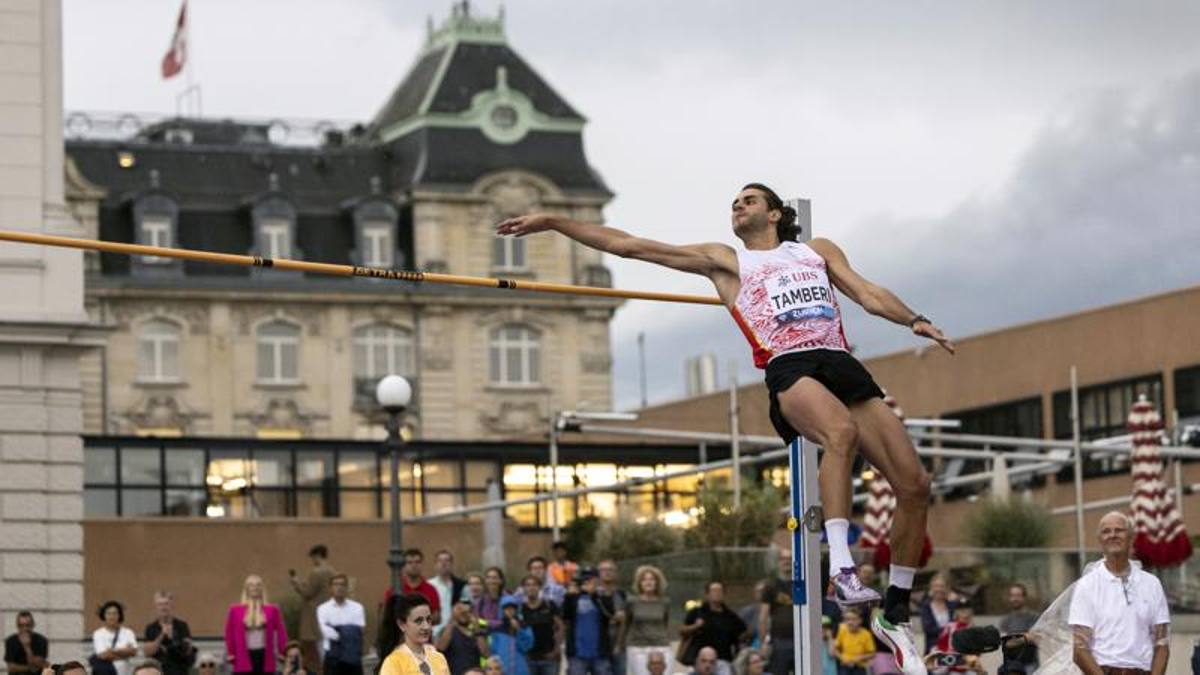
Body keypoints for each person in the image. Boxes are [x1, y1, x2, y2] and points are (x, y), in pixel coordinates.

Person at [499, 184, 950, 675]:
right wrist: (555, 222)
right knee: (839, 434)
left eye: (749, 200)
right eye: (734, 202)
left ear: (776, 213)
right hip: (789, 366)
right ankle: (840, 566)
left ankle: (896, 609)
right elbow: (630, 245)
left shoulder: (816, 251)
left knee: (914, 485)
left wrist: (914, 320)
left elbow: (866, 293)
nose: (738, 206)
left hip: (840, 362)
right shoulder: (725, 261)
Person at [1069, 511, 1170, 675]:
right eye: (1106, 531)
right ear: (1100, 540)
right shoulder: (1087, 586)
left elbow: (1162, 643)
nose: (1112, 535)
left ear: (1131, 537)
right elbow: (1079, 649)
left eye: (1119, 530)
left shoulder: (1152, 584)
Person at [225, 575, 288, 675]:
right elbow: (229, 633)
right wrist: (231, 652)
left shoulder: (273, 610)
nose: (255, 588)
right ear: (246, 589)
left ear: (262, 589)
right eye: (251, 585)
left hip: (264, 655)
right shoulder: (235, 610)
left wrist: (283, 651)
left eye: (258, 585)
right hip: (243, 656)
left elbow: (281, 632)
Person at [680, 582, 746, 675]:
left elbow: (743, 633)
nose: (717, 593)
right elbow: (682, 631)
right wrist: (695, 626)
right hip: (701, 659)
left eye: (720, 591)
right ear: (707, 594)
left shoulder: (731, 616)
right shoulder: (697, 612)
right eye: (714, 591)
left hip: (722, 660)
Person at [291, 545, 337, 672]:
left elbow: (308, 593)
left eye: (312, 557)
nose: (312, 560)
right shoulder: (333, 572)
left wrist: (296, 583)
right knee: (325, 647)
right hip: (328, 615)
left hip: (313, 616)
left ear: (317, 556)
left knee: (315, 651)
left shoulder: (316, 572)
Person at [563, 567, 617, 675]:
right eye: (585, 580)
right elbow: (565, 616)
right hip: (577, 654)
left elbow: (610, 614)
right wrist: (569, 595)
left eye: (591, 580)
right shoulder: (573, 597)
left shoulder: (601, 597)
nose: (588, 583)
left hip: (600, 653)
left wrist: (595, 595)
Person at [379, 593, 450, 675]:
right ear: (402, 624)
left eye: (428, 619)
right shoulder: (393, 662)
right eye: (418, 621)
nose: (426, 626)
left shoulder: (439, 658)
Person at [622, 566, 669, 675]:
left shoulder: (665, 602)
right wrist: (620, 645)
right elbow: (626, 623)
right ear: (639, 583)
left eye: (652, 579)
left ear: (657, 582)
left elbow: (665, 622)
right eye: (644, 579)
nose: (648, 582)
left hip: (661, 645)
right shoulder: (632, 602)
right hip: (638, 646)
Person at [317, 574, 366, 675]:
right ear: (330, 588)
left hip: (352, 655)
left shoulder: (357, 608)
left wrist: (337, 629)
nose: (339, 587)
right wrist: (348, 631)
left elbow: (358, 631)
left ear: (347, 587)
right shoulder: (323, 609)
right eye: (336, 584)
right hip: (332, 656)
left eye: (342, 584)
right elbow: (326, 632)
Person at [759, 550, 795, 675]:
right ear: (779, 562)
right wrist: (763, 642)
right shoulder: (770, 585)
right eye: (783, 558)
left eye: (790, 558)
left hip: (802, 639)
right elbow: (763, 617)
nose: (787, 561)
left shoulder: (803, 583)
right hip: (779, 641)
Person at [518, 575, 563, 675]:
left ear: (540, 587)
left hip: (549, 657)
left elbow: (560, 627)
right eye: (528, 585)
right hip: (528, 659)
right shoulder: (520, 608)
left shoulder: (549, 605)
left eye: (534, 584)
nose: (531, 587)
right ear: (523, 589)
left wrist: (556, 650)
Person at [144, 591, 196, 675]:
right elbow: (147, 652)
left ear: (172, 605)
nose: (163, 607)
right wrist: (161, 636)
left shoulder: (182, 626)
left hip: (179, 671)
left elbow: (188, 649)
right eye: (160, 604)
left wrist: (175, 641)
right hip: (158, 671)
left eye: (166, 604)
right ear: (156, 607)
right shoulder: (151, 628)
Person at [386, 550, 442, 627]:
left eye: (417, 562)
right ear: (403, 566)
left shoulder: (431, 589)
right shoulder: (394, 590)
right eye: (409, 562)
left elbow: (437, 618)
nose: (414, 565)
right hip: (400, 637)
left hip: (424, 636)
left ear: (422, 564)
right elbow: (388, 617)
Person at [435, 597, 490, 675]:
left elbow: (486, 654)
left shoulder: (479, 632)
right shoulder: (448, 630)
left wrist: (477, 629)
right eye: (461, 611)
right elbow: (440, 648)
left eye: (468, 612)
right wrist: (452, 618)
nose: (464, 614)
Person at [996, 583, 1039, 673]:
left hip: (1030, 665)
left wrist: (1011, 638)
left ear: (1024, 597)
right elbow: (1003, 642)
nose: (1015, 599)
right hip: (1010, 666)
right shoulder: (1005, 620)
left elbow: (1034, 637)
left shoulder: (1033, 617)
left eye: (1018, 595)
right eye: (1012, 596)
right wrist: (1025, 636)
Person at [595, 561, 627, 675]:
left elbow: (626, 620)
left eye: (610, 570)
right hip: (599, 645)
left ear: (616, 573)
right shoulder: (594, 595)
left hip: (619, 644)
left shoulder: (622, 594)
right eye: (604, 570)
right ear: (598, 573)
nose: (607, 572)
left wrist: (620, 644)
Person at [92, 601, 139, 675]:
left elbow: (134, 651)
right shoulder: (98, 633)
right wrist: (124, 653)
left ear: (119, 615)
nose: (112, 616)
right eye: (108, 613)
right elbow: (103, 655)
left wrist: (112, 650)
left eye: (114, 613)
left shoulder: (128, 632)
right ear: (104, 616)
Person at [489, 597, 530, 675]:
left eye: (512, 608)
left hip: (520, 670)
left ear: (516, 610)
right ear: (502, 610)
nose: (510, 611)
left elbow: (527, 646)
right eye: (506, 608)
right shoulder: (497, 629)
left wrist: (519, 630)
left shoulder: (524, 626)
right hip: (502, 670)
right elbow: (493, 651)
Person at [919, 576, 958, 656]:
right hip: (933, 651)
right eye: (936, 586)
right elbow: (928, 629)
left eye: (942, 586)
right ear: (931, 588)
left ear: (947, 588)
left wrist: (957, 600)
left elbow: (963, 623)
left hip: (952, 650)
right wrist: (950, 629)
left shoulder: (953, 606)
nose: (939, 589)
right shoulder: (926, 607)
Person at [430, 551, 467, 635]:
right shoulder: (429, 585)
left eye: (447, 560)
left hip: (456, 631)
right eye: (440, 561)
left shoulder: (460, 585)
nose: (444, 564)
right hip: (434, 631)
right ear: (435, 564)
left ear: (452, 564)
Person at [834, 608, 875, 675]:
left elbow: (872, 653)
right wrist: (843, 658)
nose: (850, 622)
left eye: (853, 619)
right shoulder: (843, 631)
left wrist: (858, 658)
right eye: (847, 619)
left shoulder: (866, 634)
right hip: (845, 666)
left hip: (860, 667)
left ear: (860, 620)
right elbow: (835, 649)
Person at [474, 568, 507, 634]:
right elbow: (476, 621)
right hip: (486, 638)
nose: (491, 581)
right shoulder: (481, 601)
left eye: (494, 578)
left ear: (501, 580)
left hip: (503, 639)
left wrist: (485, 622)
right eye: (488, 578)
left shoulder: (507, 599)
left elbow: (506, 623)